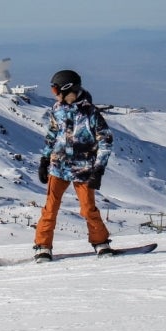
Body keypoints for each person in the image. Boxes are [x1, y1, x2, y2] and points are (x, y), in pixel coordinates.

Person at [34, 70, 114, 262]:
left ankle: (100, 242)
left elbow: (105, 141)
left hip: (83, 168)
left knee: (88, 208)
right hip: (58, 166)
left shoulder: (91, 113)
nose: (54, 94)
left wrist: (98, 170)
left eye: (56, 90)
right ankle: (43, 246)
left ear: (68, 88)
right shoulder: (57, 109)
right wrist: (44, 160)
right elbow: (52, 134)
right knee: (50, 208)